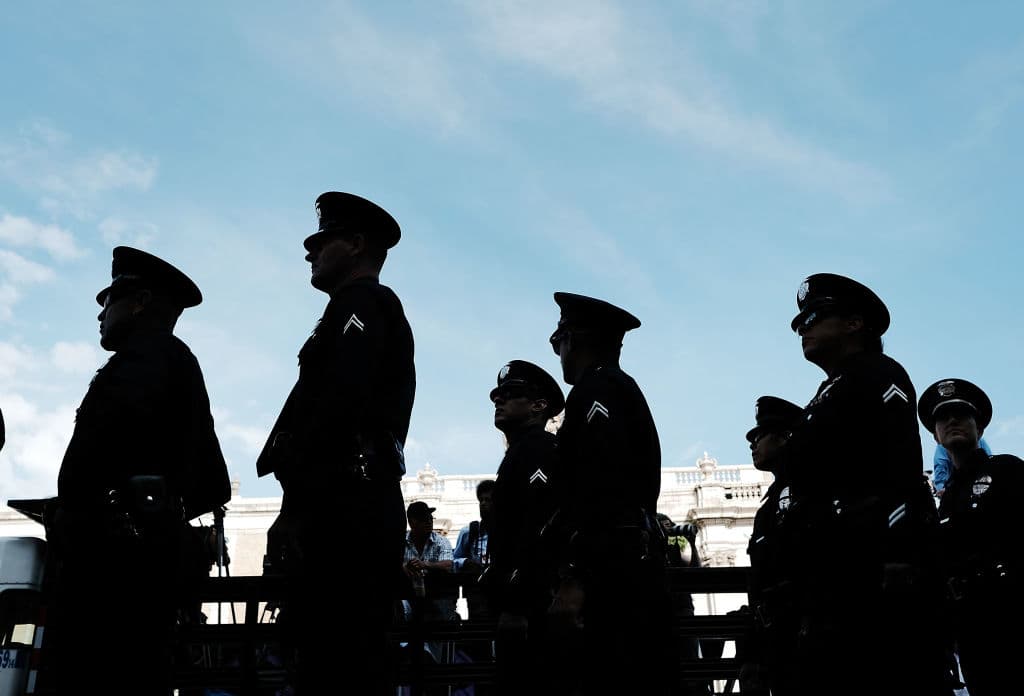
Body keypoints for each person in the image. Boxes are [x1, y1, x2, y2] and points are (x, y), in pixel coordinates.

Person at [45, 246, 231, 696]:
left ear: (140, 301)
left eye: (109, 301)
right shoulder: (168, 362)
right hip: (132, 562)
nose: (101, 315)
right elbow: (212, 480)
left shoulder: (148, 363)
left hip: (113, 570)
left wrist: (136, 512)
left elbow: (98, 467)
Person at [256, 191, 415, 695]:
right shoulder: (351, 309)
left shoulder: (364, 303)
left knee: (341, 659)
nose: (310, 251)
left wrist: (299, 505)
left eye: (322, 241)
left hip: (346, 503)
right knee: (331, 656)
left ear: (355, 244)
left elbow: (338, 406)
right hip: (343, 499)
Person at [780, 273, 951, 696]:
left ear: (854, 323)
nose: (804, 329)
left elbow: (900, 464)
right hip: (835, 565)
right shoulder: (827, 392)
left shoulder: (878, 373)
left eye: (815, 318)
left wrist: (899, 549)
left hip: (871, 558)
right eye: (801, 323)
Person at [546, 292, 677, 695]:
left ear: (574, 339)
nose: (558, 351)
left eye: (558, 341)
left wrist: (576, 577)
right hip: (623, 561)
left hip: (611, 568)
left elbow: (602, 485)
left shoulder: (597, 387)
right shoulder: (615, 386)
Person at [918, 378, 1023, 696]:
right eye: (942, 418)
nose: (952, 421)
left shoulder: (1008, 470)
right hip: (970, 624)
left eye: (962, 415)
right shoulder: (945, 499)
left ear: (980, 426)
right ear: (935, 435)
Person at [484, 359, 564, 696]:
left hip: (533, 610)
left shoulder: (537, 449)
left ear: (538, 406)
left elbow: (538, 528)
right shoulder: (521, 451)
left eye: (511, 394)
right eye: (498, 395)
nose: (499, 400)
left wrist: (516, 604)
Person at [739, 395, 804, 695]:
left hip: (802, 627)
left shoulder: (806, 489)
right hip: (776, 631)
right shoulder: (770, 502)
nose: (753, 444)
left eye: (760, 436)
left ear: (785, 437)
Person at [402, 501, 459, 665]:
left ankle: (422, 653)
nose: (429, 521)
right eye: (424, 518)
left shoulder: (440, 541)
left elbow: (448, 564)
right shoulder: (401, 542)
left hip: (437, 605)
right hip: (411, 604)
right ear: (412, 522)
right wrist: (404, 567)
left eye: (430, 518)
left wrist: (425, 564)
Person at [453, 479, 495, 620]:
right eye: (481, 500)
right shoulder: (469, 532)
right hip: (475, 596)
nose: (483, 503)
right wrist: (465, 562)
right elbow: (453, 561)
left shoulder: (508, 534)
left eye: (488, 500)